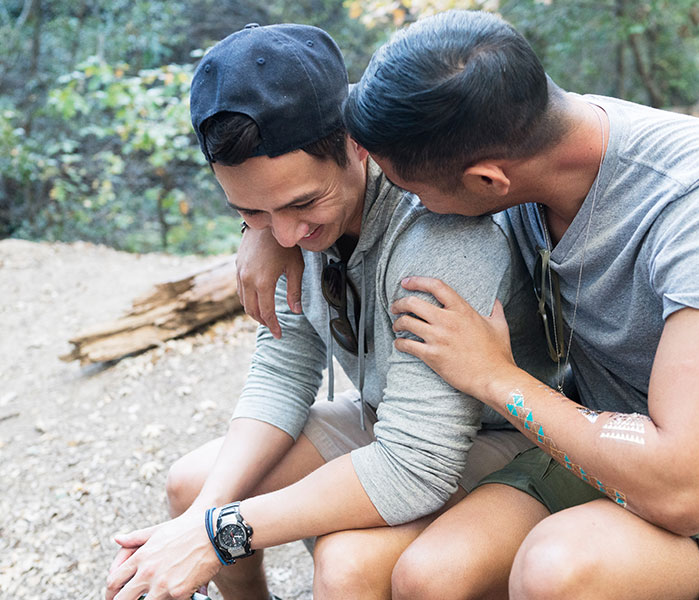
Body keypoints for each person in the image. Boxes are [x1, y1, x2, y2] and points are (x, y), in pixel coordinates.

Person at [244, 10, 699, 600]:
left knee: (556, 571)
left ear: (487, 183)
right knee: (430, 576)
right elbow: (315, 131)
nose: (405, 203)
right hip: (603, 428)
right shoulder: (506, 128)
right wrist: (263, 228)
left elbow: (686, 490)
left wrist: (495, 377)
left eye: (409, 192)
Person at [103, 21, 561, 600]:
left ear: (356, 143)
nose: (289, 234)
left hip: (487, 433)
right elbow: (282, 369)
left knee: (347, 564)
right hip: (385, 415)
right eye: (251, 210)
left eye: (302, 203)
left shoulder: (443, 235)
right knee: (192, 485)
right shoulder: (284, 228)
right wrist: (204, 516)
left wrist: (219, 534)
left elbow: (417, 463)